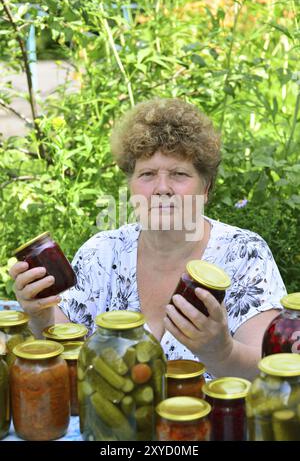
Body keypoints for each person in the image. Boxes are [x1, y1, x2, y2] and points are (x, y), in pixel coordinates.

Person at [9, 98, 286, 381]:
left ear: (206, 187)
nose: (162, 188)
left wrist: (222, 352)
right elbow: (62, 346)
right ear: (131, 186)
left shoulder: (245, 254)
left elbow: (270, 370)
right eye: (147, 174)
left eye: (179, 174)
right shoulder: (101, 253)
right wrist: (39, 315)